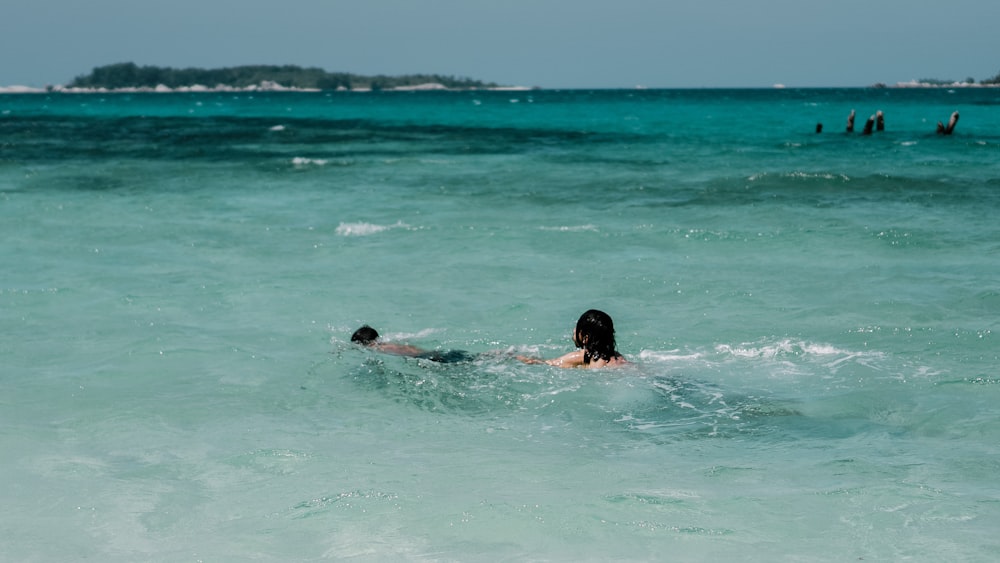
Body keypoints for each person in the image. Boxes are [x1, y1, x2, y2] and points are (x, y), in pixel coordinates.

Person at [518, 309, 628, 368]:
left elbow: (547, 363)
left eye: (577, 327)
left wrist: (513, 356)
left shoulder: (582, 356)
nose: (574, 330)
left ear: (585, 338)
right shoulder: (617, 357)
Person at [351, 325, 474, 363]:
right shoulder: (387, 343)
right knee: (475, 359)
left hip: (433, 359)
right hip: (435, 355)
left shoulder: (378, 348)